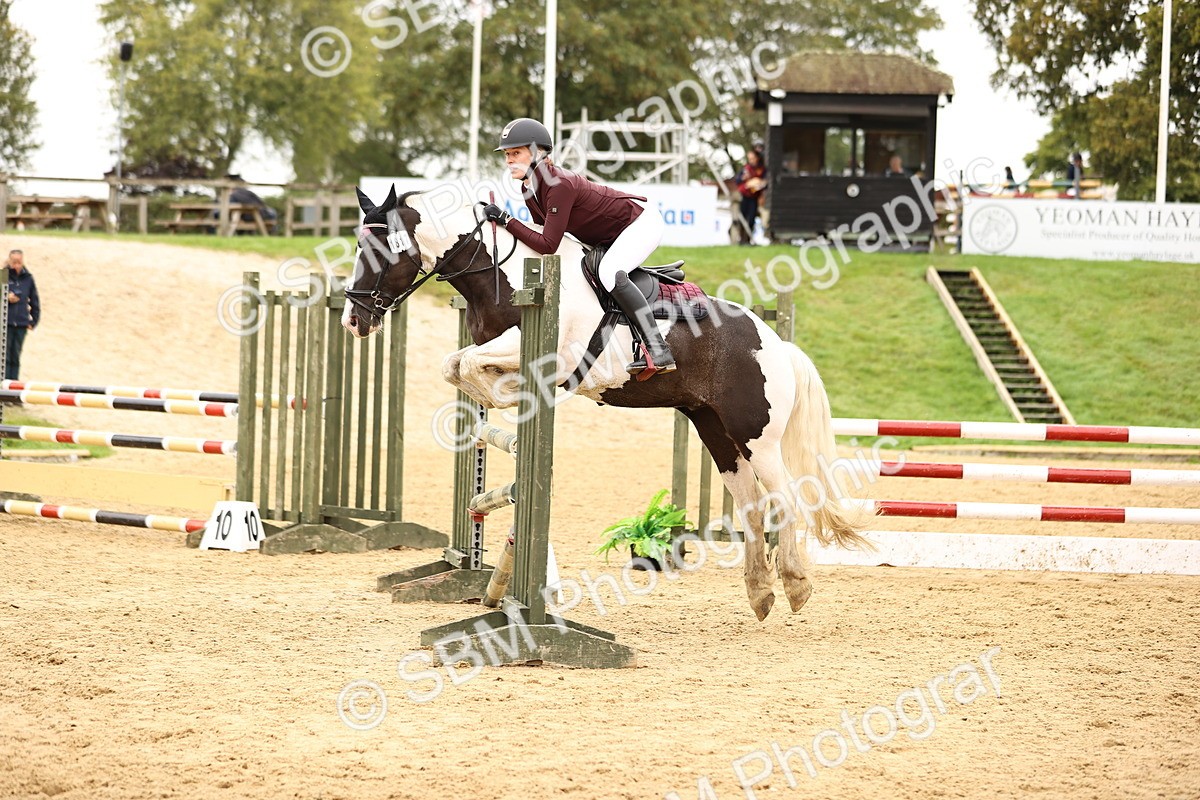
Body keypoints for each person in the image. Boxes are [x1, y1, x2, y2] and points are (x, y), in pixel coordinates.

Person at [481, 117, 675, 378]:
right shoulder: (530, 188)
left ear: (538, 152)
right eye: (506, 155)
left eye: (516, 153)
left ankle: (658, 348)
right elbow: (543, 238)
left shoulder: (558, 184)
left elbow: (548, 245)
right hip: (613, 233)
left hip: (641, 222)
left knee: (609, 273)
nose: (509, 161)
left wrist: (507, 220)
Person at [5, 249, 40, 381]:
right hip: (5, 323)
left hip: (21, 323)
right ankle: (4, 389)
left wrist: (34, 320)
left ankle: (14, 389)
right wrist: (6, 297)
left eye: (19, 262)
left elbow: (34, 300)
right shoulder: (3, 274)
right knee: (5, 357)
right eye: (14, 262)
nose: (16, 265)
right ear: (9, 261)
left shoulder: (28, 278)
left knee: (16, 356)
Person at [734, 144, 767, 245]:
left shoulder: (762, 170)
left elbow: (765, 183)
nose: (751, 160)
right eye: (750, 158)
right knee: (742, 217)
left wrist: (760, 184)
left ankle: (748, 239)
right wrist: (743, 179)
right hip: (744, 196)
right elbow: (737, 180)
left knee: (751, 218)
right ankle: (741, 239)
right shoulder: (746, 168)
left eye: (753, 158)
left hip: (754, 197)